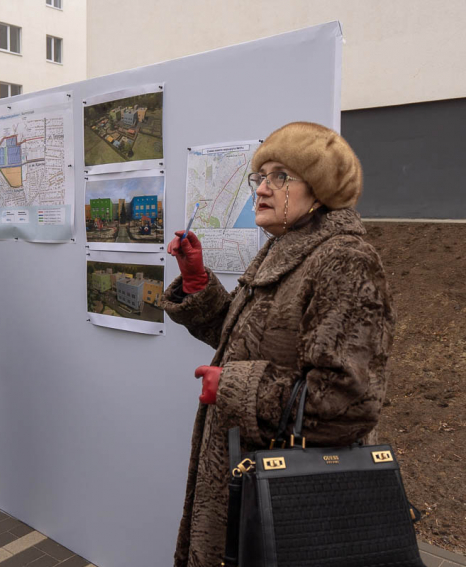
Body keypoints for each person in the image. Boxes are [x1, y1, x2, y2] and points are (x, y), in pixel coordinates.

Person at [160, 122, 395, 567]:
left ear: (320, 188)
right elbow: (249, 344)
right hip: (250, 471)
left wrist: (232, 386)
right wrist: (196, 282)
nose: (262, 189)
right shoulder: (285, 248)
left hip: (291, 494)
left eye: (280, 176)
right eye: (260, 176)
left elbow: (348, 402)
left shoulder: (345, 260)